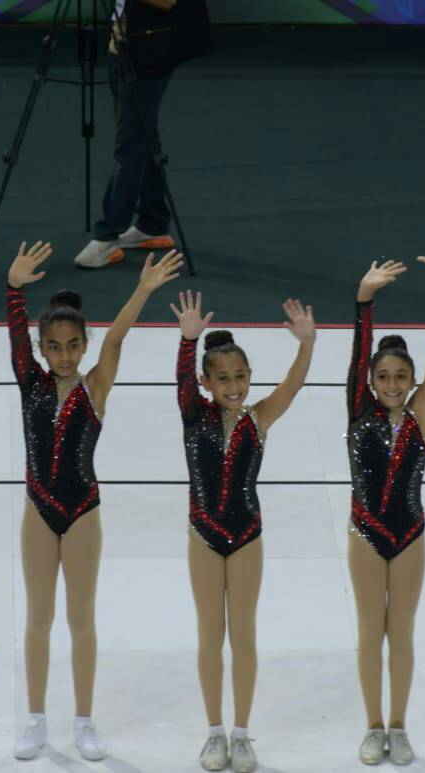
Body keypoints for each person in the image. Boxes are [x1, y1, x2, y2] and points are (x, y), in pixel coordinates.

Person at [6, 241, 183, 761]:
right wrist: (14, 289)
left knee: (81, 620)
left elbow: (119, 337)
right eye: (54, 347)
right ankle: (36, 718)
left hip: (82, 511)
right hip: (38, 510)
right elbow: (15, 333)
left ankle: (84, 719)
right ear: (42, 349)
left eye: (72, 346)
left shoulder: (96, 386)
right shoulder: (30, 383)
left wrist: (142, 290)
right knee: (38, 619)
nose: (64, 356)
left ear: (84, 345)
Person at [170, 291, 316, 772]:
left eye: (240, 377)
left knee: (244, 636)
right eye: (223, 379)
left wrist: (307, 344)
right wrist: (188, 341)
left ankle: (241, 733)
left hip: (247, 536)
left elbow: (293, 386)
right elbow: (181, 381)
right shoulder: (194, 415)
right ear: (206, 382)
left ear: (250, 376)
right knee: (210, 636)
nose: (233, 387)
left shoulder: (259, 418)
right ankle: (214, 732)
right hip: (204, 535)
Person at [346, 256, 425, 766]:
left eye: (401, 376)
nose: (392, 384)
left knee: (403, 635)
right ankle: (373, 725)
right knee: (371, 632)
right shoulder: (359, 409)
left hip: (410, 534)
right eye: (384, 377)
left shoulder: (422, 411)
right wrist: (364, 301)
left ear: (414, 380)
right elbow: (358, 354)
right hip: (366, 534)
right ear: (371, 382)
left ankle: (399, 724)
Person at [75, 0, 213, 268]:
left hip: (147, 53)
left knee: (131, 145)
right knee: (143, 137)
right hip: (123, 47)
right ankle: (152, 224)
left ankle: (107, 236)